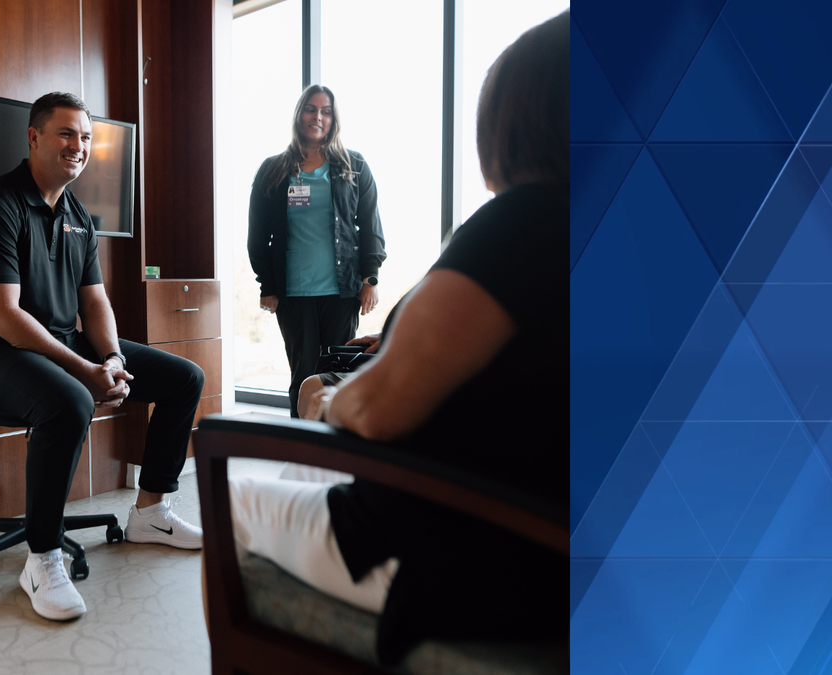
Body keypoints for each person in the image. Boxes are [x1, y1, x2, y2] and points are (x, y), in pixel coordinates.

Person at [217, 11, 569, 666]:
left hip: (448, 555)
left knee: (230, 485)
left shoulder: (526, 223)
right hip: (533, 543)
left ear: (511, 121)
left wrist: (329, 400)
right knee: (300, 453)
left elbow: (378, 406)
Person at [0, 92, 205, 622]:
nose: (79, 146)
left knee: (184, 376)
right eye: (67, 133)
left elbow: (95, 303)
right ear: (35, 137)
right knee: (70, 401)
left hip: (64, 344)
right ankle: (41, 558)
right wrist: (85, 371)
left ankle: (151, 511)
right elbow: (2, 315)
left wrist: (111, 357)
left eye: (86, 137)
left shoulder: (79, 217)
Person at [247, 84, 387, 418]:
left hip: (342, 290)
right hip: (293, 293)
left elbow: (370, 227)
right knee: (303, 375)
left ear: (333, 119)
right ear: (300, 114)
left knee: (337, 374)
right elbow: (258, 235)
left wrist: (371, 277)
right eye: (311, 109)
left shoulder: (354, 166)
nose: (317, 117)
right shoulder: (274, 169)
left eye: (325, 111)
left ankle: (334, 452)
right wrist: (266, 285)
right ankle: (302, 451)